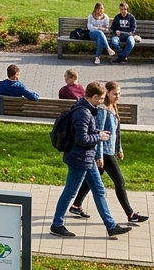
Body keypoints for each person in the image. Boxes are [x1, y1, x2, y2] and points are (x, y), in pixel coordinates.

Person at [49, 82, 131, 239]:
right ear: (93, 97)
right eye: (100, 98)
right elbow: (81, 138)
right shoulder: (84, 113)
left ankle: (111, 226)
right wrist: (99, 136)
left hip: (87, 158)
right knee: (70, 192)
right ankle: (57, 224)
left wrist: (98, 132)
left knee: (99, 190)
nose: (102, 101)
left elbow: (85, 132)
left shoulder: (86, 109)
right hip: (79, 159)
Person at [69, 81, 148, 225]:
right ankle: (130, 214)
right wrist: (99, 155)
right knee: (119, 181)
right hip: (104, 152)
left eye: (119, 93)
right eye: (114, 94)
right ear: (108, 93)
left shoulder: (113, 107)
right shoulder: (103, 110)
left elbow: (116, 132)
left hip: (110, 150)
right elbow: (98, 132)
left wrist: (119, 148)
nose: (118, 96)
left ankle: (76, 205)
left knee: (91, 180)